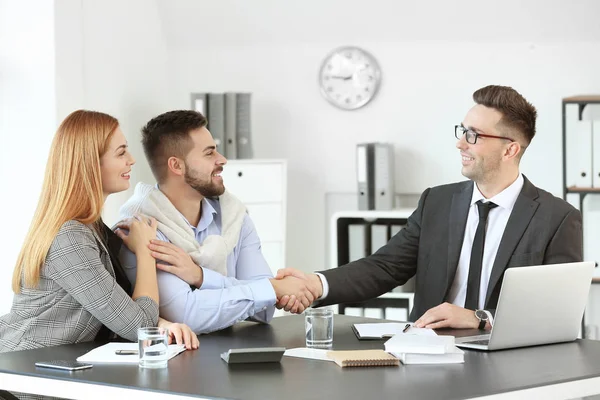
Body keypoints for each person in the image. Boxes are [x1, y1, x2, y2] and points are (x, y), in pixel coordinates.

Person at [276, 85, 583, 331]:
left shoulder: (557, 218)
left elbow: (557, 313)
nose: (460, 143)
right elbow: (384, 267)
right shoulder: (436, 202)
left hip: (508, 364)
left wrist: (481, 318)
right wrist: (315, 284)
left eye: (473, 135)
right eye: (462, 131)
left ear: (511, 149)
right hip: (428, 355)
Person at [0, 110, 199, 359]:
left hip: (53, 369)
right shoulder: (70, 237)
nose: (132, 160)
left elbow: (115, 305)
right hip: (27, 380)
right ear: (91, 163)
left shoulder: (91, 228)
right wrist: (147, 250)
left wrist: (163, 324)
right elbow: (138, 326)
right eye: (121, 152)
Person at [118, 110, 312, 334]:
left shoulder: (234, 217)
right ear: (177, 166)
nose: (222, 160)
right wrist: (271, 288)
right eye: (209, 153)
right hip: (178, 364)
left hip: (236, 356)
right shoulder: (142, 230)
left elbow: (265, 309)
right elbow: (187, 315)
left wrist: (201, 277)